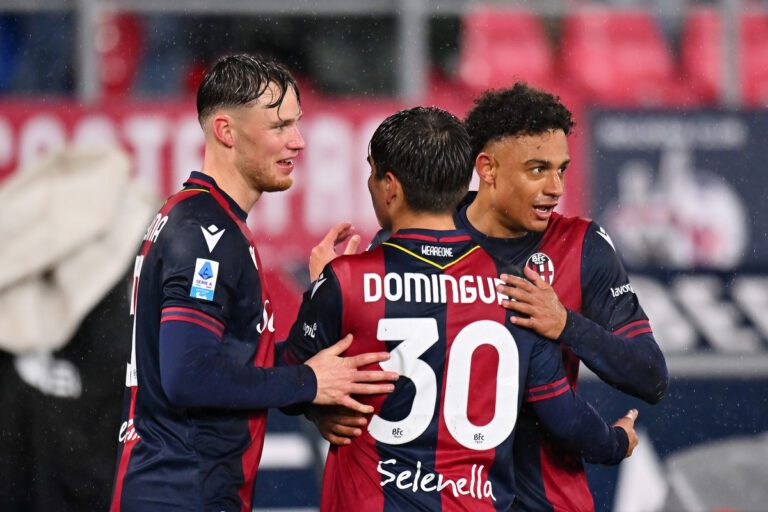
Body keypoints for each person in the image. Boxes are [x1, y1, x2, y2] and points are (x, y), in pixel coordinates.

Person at [312, 84, 669, 511]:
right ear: (488, 168)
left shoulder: (583, 245)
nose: (555, 188)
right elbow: (352, 366)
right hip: (444, 497)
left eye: (562, 170)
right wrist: (324, 411)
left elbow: (651, 377)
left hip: (549, 499)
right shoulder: (411, 237)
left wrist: (566, 325)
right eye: (537, 170)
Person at [109, 54, 398, 512]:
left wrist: (321, 298)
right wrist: (306, 383)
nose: (299, 141)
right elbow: (188, 376)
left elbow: (248, 366)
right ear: (226, 131)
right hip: (182, 494)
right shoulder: (206, 234)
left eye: (297, 124)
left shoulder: (209, 222)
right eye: (280, 126)